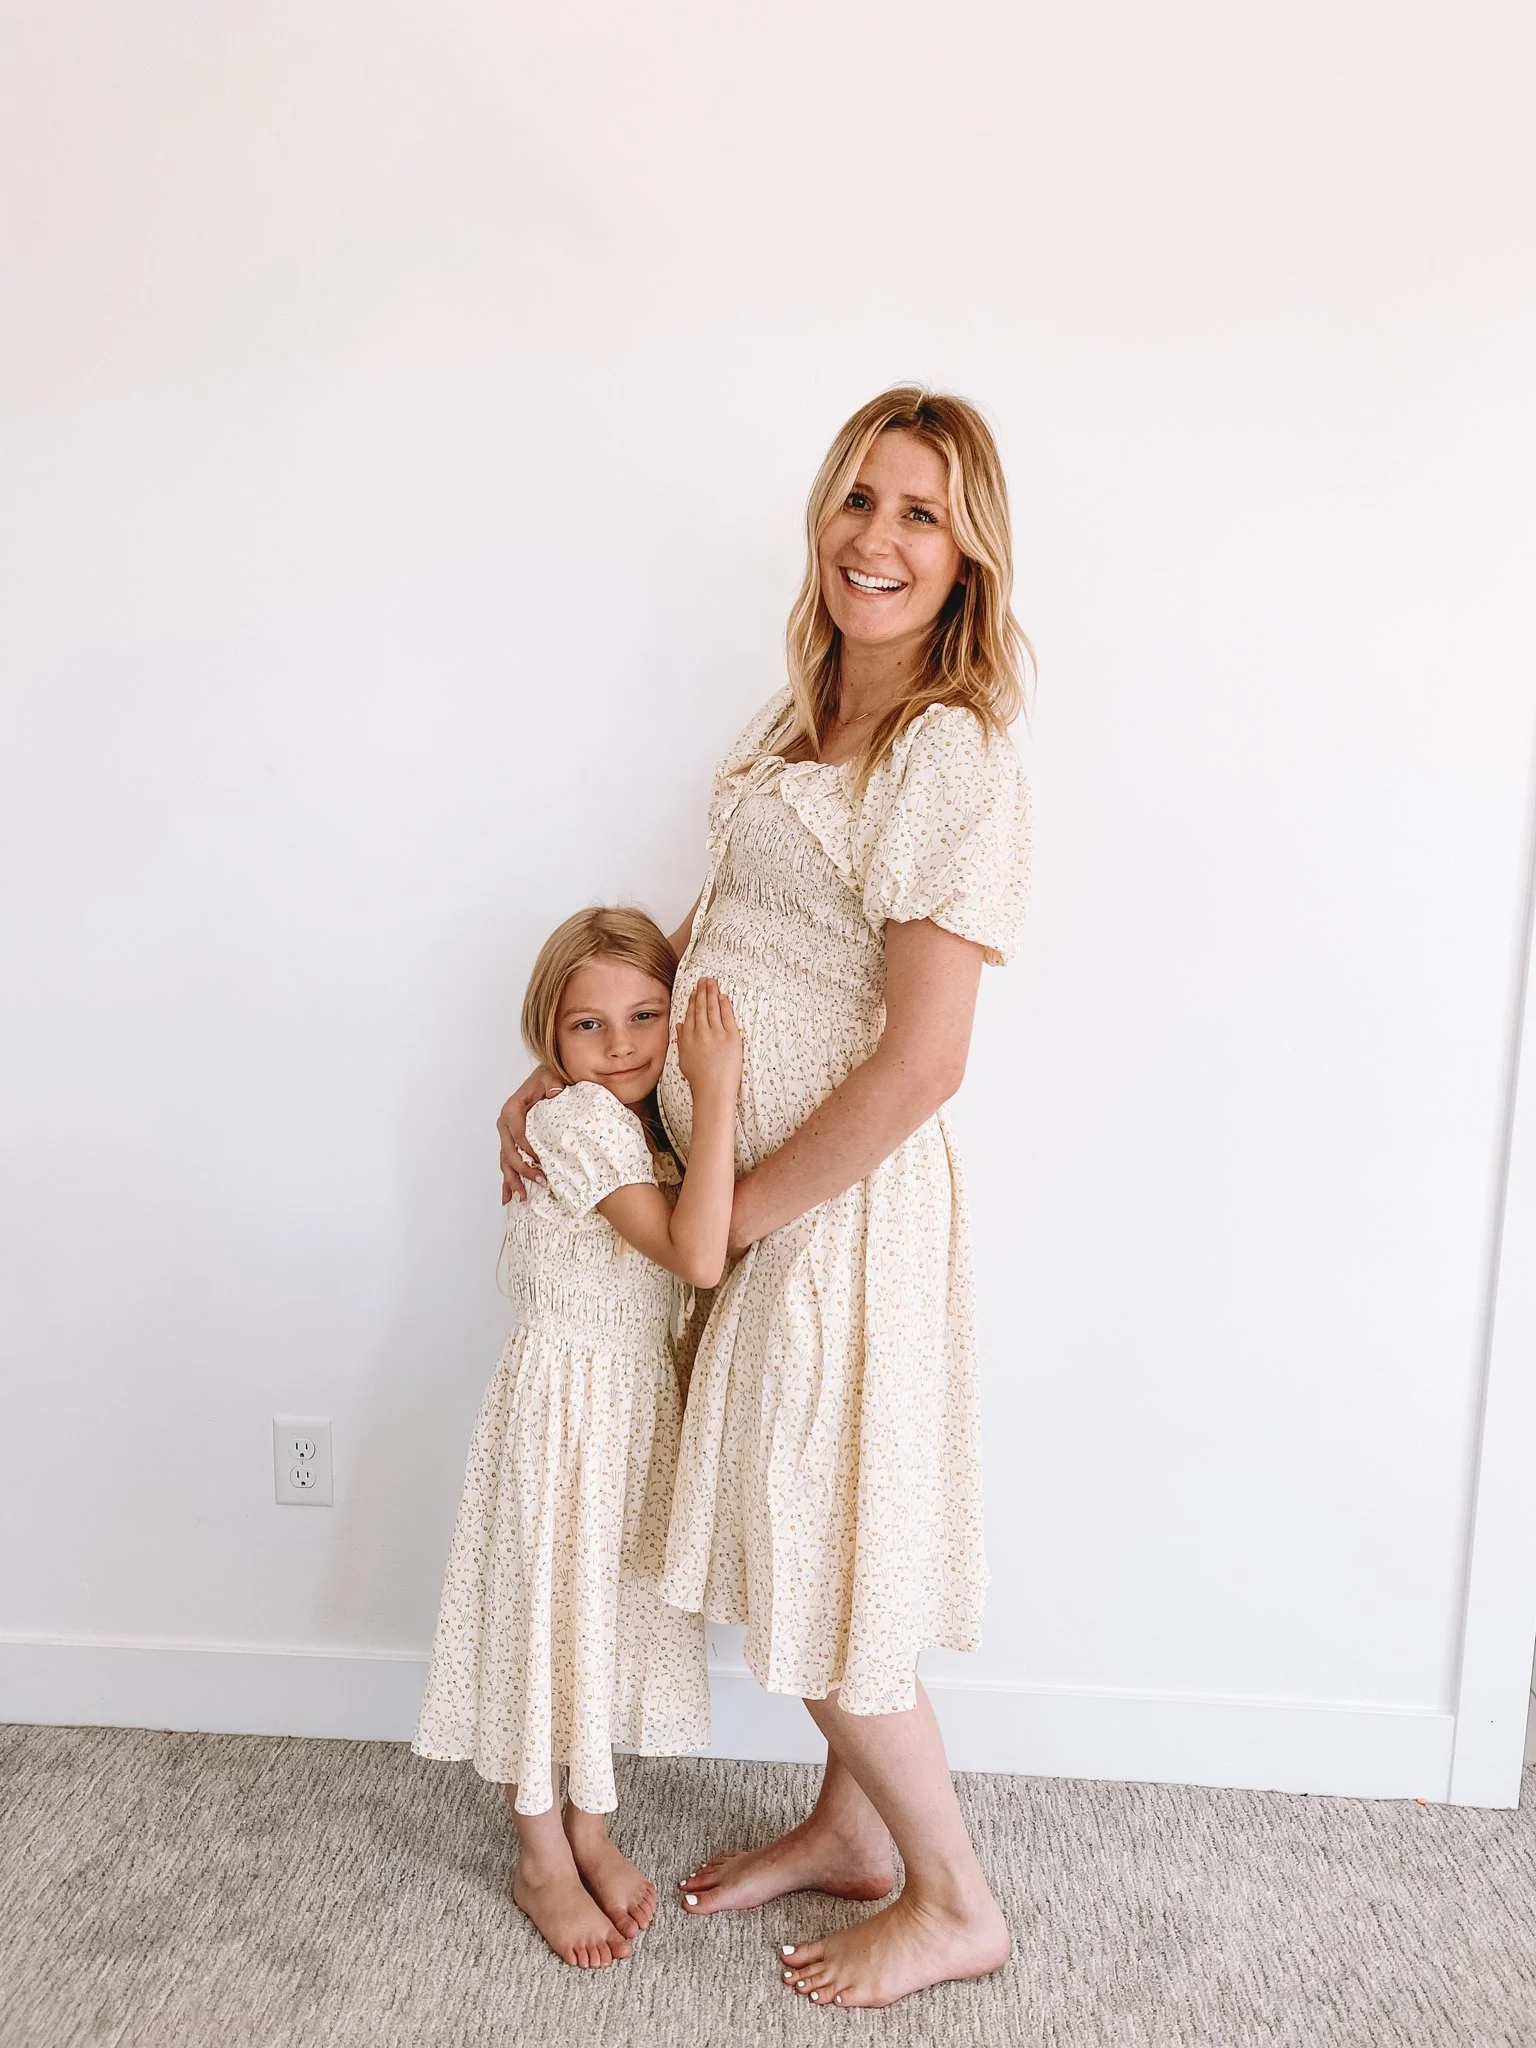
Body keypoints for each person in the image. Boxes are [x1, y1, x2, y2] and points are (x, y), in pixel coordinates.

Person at [500, 388, 1033, 2008]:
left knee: (816, 1556)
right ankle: (852, 1832)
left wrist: (741, 1212)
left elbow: (924, 1061)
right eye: (859, 498)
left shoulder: (949, 754)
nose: (878, 537)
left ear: (968, 558)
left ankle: (953, 1898)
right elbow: (712, 926)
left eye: (921, 513)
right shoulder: (791, 715)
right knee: (796, 1532)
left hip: (832, 1215)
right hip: (737, 1187)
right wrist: (572, 1069)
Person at [415, 907, 741, 1969]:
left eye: (646, 1016)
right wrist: (720, 1086)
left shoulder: (636, 1117)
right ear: (549, 1037)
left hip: (630, 1409)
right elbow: (695, 1255)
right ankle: (541, 1850)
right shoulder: (579, 1121)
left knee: (603, 1621)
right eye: (587, 1026)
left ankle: (589, 1824)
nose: (624, 1045)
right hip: (566, 1413)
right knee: (547, 1620)